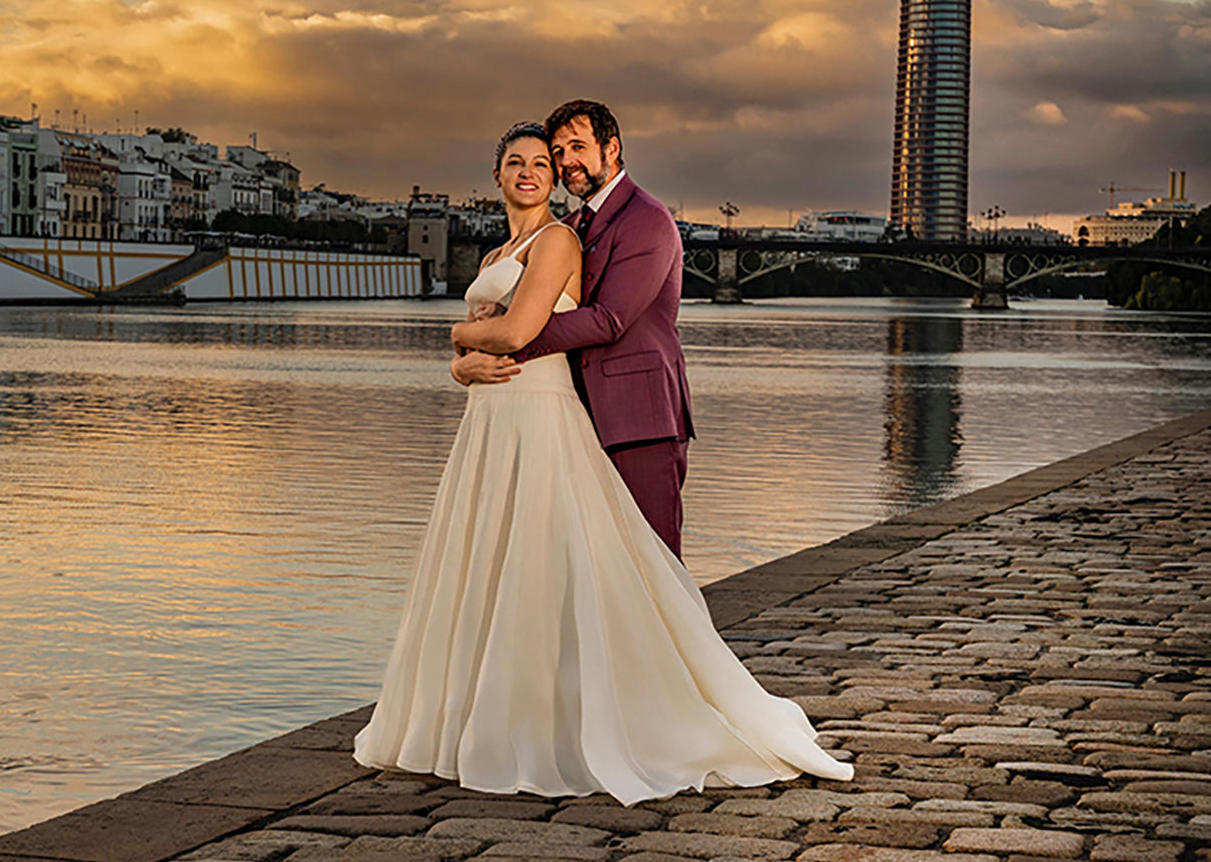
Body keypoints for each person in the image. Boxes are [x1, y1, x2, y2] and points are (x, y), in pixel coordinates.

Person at [352, 119, 850, 800]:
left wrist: (463, 334)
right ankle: (512, 712)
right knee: (509, 567)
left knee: (608, 573)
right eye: (523, 160)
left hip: (560, 410)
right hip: (498, 416)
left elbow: (539, 327)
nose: (538, 168)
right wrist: (465, 369)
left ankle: (640, 711)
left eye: (550, 158)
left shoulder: (576, 235)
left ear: (596, 157)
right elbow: (500, 338)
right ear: (496, 176)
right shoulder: (513, 243)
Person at [451, 99, 692, 557]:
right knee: (596, 566)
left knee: (654, 561)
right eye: (558, 151)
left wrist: (505, 340)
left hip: (639, 417)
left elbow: (610, 319)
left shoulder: (647, 219)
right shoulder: (574, 224)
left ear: (612, 148)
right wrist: (466, 363)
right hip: (577, 414)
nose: (566, 162)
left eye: (577, 147)